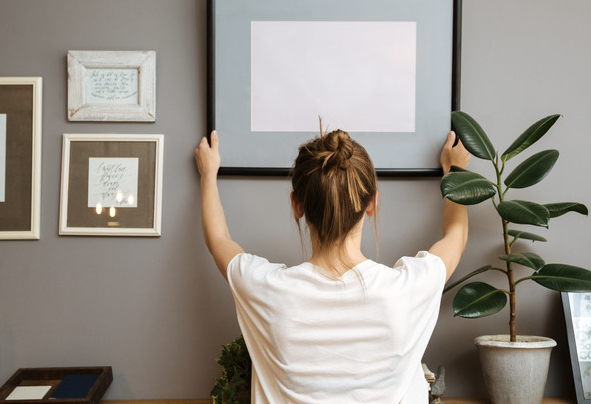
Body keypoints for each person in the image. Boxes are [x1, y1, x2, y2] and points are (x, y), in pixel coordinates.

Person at [195, 128, 470, 403]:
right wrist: (455, 169)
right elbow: (455, 238)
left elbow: (218, 239)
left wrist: (208, 174)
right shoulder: (407, 289)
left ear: (296, 205)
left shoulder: (265, 289)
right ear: (373, 202)